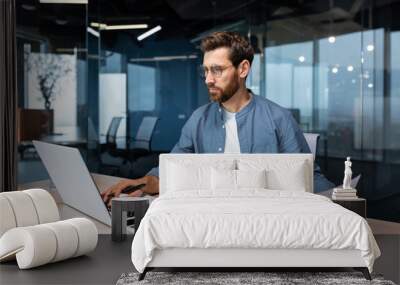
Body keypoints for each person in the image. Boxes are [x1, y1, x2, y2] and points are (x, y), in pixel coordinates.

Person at [101, 31, 334, 206]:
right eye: (205, 70)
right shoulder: (198, 119)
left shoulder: (278, 118)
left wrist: (343, 203)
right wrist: (139, 184)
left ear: (243, 69)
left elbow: (309, 178)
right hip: (212, 216)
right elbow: (170, 171)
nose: (208, 79)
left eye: (217, 70)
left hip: (265, 215)